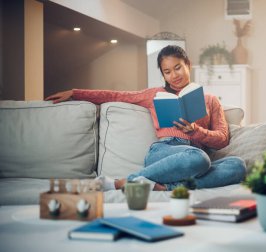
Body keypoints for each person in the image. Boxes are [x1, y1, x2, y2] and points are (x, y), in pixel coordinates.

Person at [45, 45, 246, 191]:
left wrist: (196, 131)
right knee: (199, 158)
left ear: (188, 65)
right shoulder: (154, 94)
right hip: (164, 151)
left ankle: (164, 187)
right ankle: (124, 182)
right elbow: (115, 95)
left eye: (177, 68)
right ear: (163, 75)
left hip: (193, 155)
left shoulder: (210, 100)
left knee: (237, 166)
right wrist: (75, 92)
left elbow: (222, 139)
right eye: (167, 72)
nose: (174, 75)